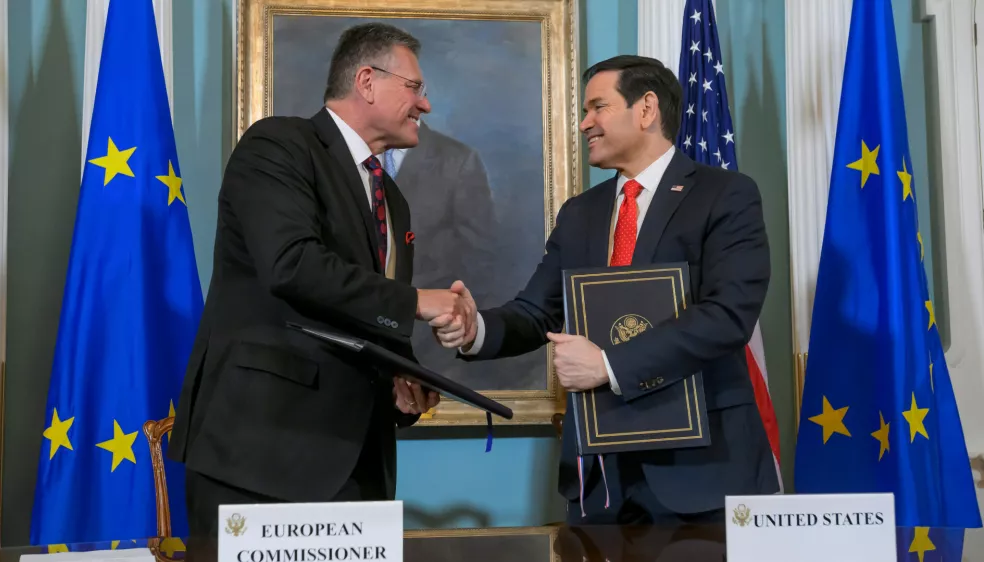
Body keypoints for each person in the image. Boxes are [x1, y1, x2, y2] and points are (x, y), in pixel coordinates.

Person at [435, 55, 780, 525]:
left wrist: (608, 365)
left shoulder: (725, 195)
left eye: (598, 107)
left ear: (646, 109)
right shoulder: (581, 213)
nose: (583, 124)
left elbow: (728, 315)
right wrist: (474, 328)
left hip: (700, 475)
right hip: (601, 484)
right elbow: (537, 312)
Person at [168, 22, 475, 539]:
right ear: (367, 81)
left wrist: (404, 379)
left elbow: (366, 318)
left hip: (358, 466)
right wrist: (416, 301)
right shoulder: (279, 145)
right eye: (415, 88)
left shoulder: (392, 200)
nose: (424, 105)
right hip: (261, 454)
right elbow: (291, 264)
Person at [382, 118, 501, 379]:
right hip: (348, 340)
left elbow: (481, 258)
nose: (425, 105)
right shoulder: (343, 156)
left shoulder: (457, 160)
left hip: (429, 344)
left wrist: (455, 325)